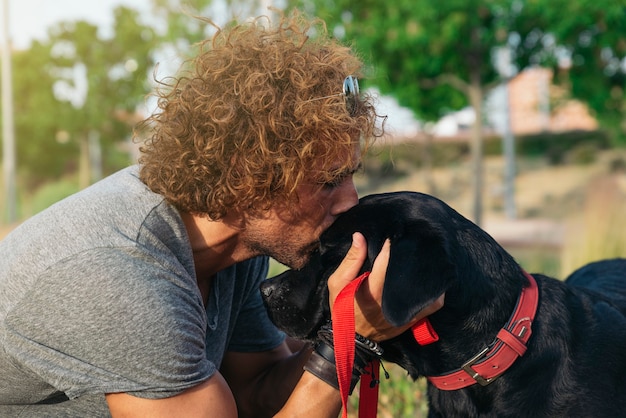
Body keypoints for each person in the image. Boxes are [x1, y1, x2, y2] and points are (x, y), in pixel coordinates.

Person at [0, 10, 442, 417]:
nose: (350, 201)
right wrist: (354, 341)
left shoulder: (230, 249)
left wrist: (345, 331)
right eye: (329, 181)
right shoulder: (120, 274)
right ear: (246, 179)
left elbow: (256, 394)